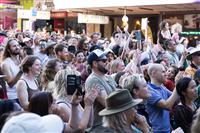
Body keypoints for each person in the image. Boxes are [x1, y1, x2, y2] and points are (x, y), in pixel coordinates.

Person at [85, 49, 117, 131]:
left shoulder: (108, 77)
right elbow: (107, 103)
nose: (107, 62)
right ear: (95, 63)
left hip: (113, 122)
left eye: (107, 59)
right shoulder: (93, 80)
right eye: (104, 60)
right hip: (102, 126)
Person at [147, 63, 179, 133]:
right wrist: (177, 86)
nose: (166, 74)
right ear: (153, 73)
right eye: (163, 71)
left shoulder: (161, 87)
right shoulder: (149, 91)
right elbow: (167, 106)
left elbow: (176, 99)